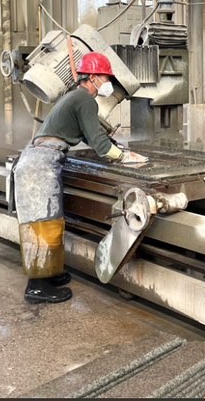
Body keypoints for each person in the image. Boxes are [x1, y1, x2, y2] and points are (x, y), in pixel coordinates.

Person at [12, 52, 148, 304]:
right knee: (41, 225)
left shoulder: (75, 97)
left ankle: (49, 274)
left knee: (51, 221)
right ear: (93, 77)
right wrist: (123, 156)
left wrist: (114, 146)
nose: (108, 83)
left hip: (38, 161)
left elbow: (89, 134)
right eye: (106, 77)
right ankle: (37, 287)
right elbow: (99, 144)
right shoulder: (85, 99)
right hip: (40, 165)